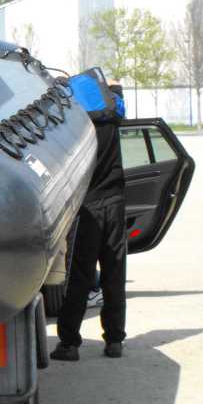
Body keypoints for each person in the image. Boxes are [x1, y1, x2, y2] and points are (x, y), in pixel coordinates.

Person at [51, 77, 127, 360]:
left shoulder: (76, 127)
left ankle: (69, 343)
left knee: (79, 277)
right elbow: (118, 98)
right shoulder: (113, 115)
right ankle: (115, 341)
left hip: (88, 208)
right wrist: (113, 87)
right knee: (114, 273)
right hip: (115, 204)